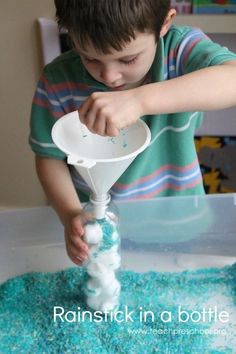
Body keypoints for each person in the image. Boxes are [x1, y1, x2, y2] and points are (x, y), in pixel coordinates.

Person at [29, 0, 236, 265]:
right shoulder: (58, 80)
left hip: (179, 226)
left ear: (164, 24)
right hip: (96, 232)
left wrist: (139, 100)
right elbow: (49, 156)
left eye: (128, 59)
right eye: (90, 57)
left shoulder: (180, 51)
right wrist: (71, 214)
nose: (110, 76)